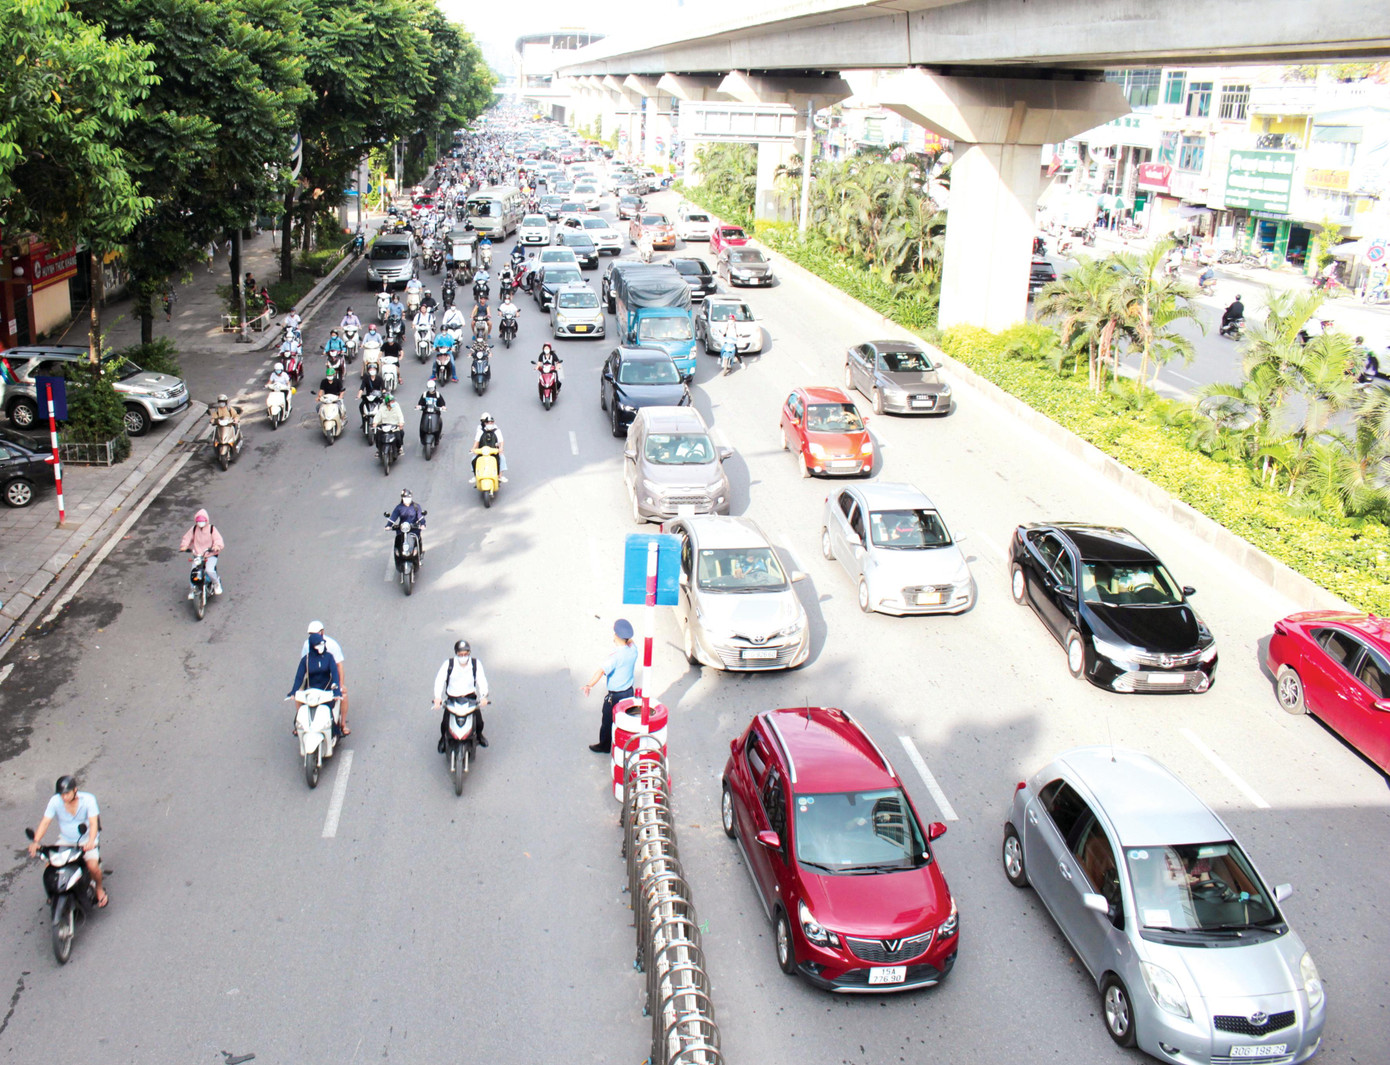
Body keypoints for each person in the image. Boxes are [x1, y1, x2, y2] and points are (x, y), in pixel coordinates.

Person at [27, 776, 106, 908]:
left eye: (67, 793)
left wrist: (91, 841)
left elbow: (93, 823)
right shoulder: (55, 801)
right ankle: (53, 894)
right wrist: (36, 841)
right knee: (50, 867)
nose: (64, 797)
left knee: (92, 867)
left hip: (85, 840)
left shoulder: (88, 800)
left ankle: (99, 888)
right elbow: (45, 821)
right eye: (61, 794)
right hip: (65, 840)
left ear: (75, 790)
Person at [580, 619, 638, 754]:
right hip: (629, 693)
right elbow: (631, 642)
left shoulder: (615, 657)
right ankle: (626, 746)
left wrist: (589, 685)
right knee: (627, 720)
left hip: (615, 696)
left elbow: (601, 671)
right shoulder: (633, 651)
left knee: (607, 721)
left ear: (616, 636)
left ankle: (605, 746)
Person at [433, 639, 491, 750]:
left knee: (478, 721)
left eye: (465, 654)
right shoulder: (449, 664)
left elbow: (482, 680)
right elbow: (439, 680)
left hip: (470, 698)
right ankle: (443, 739)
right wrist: (437, 698)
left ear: (469, 653)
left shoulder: (475, 664)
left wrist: (483, 696)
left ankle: (479, 736)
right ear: (456, 653)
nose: (463, 657)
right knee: (445, 722)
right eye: (461, 654)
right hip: (453, 698)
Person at [288, 626, 344, 737]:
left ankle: (335, 732)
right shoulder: (306, 660)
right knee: (304, 710)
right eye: (318, 644)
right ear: (313, 646)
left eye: (322, 644)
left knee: (329, 711)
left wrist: (337, 690)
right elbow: (299, 677)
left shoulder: (329, 657)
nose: (321, 646)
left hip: (326, 690)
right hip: (311, 692)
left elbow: (335, 673)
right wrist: (294, 691)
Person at [300, 621, 349, 734]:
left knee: (344, 694)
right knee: (299, 694)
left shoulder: (332, 645)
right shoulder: (306, 645)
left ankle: (343, 724)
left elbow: (339, 666)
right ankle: (300, 725)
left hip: (329, 678)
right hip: (313, 679)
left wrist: (340, 685)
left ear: (322, 632)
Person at [179, 508, 224, 596]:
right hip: (198, 555)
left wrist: (216, 546)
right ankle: (192, 589)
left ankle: (216, 583)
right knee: (194, 571)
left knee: (209, 570)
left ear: (206, 520)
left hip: (210, 554)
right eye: (199, 521)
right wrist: (184, 546)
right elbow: (187, 538)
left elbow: (218, 539)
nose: (200, 523)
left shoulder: (212, 529)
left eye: (202, 521)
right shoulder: (194, 529)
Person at [386, 488, 426, 558]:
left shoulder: (416, 506)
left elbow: (420, 516)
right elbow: (393, 517)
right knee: (398, 539)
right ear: (402, 498)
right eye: (405, 497)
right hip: (403, 528)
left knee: (417, 538)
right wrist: (388, 525)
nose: (407, 499)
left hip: (414, 528)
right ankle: (398, 555)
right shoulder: (399, 508)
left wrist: (423, 524)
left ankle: (419, 554)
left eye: (408, 497)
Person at [471, 412, 507, 483]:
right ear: (485, 423)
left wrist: (501, 448)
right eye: (487, 422)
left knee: (502, 458)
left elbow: (501, 441)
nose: (489, 424)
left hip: (494, 450)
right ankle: (476, 476)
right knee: (473, 459)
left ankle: (500, 475)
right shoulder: (480, 430)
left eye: (491, 422)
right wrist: (474, 449)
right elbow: (477, 441)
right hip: (483, 450)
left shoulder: (497, 430)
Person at [372, 391, 406, 456]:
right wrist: (375, 423)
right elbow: (378, 416)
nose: (393, 403)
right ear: (387, 403)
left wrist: (401, 423)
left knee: (399, 435)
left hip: (394, 427)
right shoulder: (382, 407)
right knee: (377, 436)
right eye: (392, 402)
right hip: (384, 427)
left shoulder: (396, 406)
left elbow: (400, 415)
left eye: (393, 401)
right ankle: (379, 450)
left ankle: (399, 448)